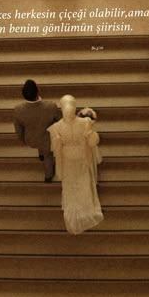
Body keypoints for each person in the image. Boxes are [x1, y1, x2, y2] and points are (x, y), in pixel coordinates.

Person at [47, 95, 104, 235]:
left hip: (68, 159)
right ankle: (86, 208)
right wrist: (90, 133)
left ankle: (77, 211)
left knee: (71, 185)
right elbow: (92, 142)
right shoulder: (85, 123)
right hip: (82, 156)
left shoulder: (56, 127)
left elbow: (55, 149)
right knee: (82, 181)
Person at [13, 79, 59, 182]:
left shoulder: (18, 110)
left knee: (38, 137)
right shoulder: (51, 106)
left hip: (31, 139)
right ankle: (48, 176)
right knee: (48, 156)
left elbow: (19, 130)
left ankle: (40, 155)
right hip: (47, 140)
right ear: (38, 90)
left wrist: (22, 139)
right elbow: (59, 122)